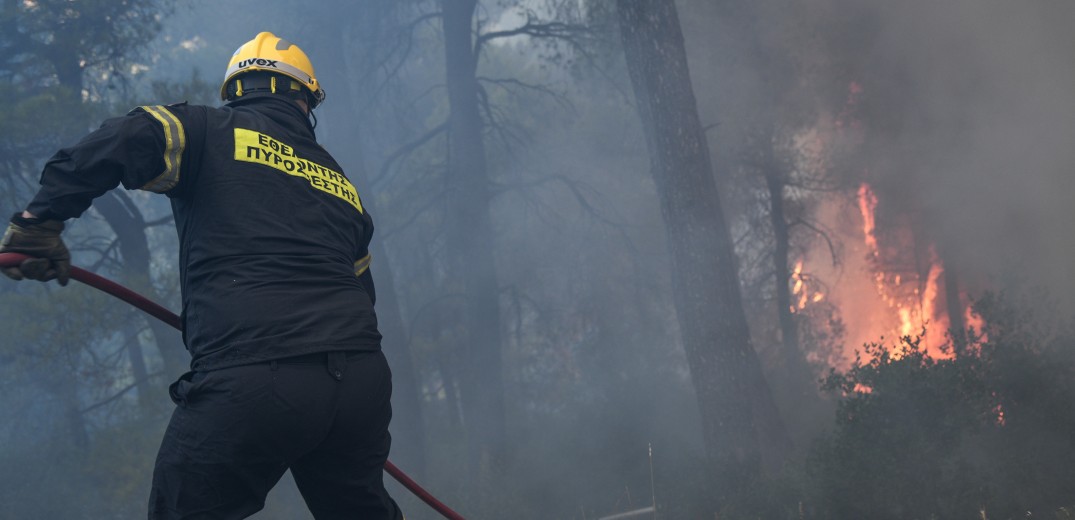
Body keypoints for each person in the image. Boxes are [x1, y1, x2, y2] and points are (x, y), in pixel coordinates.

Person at [0, 32, 403, 520]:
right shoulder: (339, 181)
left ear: (236, 91)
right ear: (303, 100)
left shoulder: (205, 129)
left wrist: (40, 222)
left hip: (258, 373)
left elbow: (125, 138)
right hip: (359, 383)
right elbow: (363, 293)